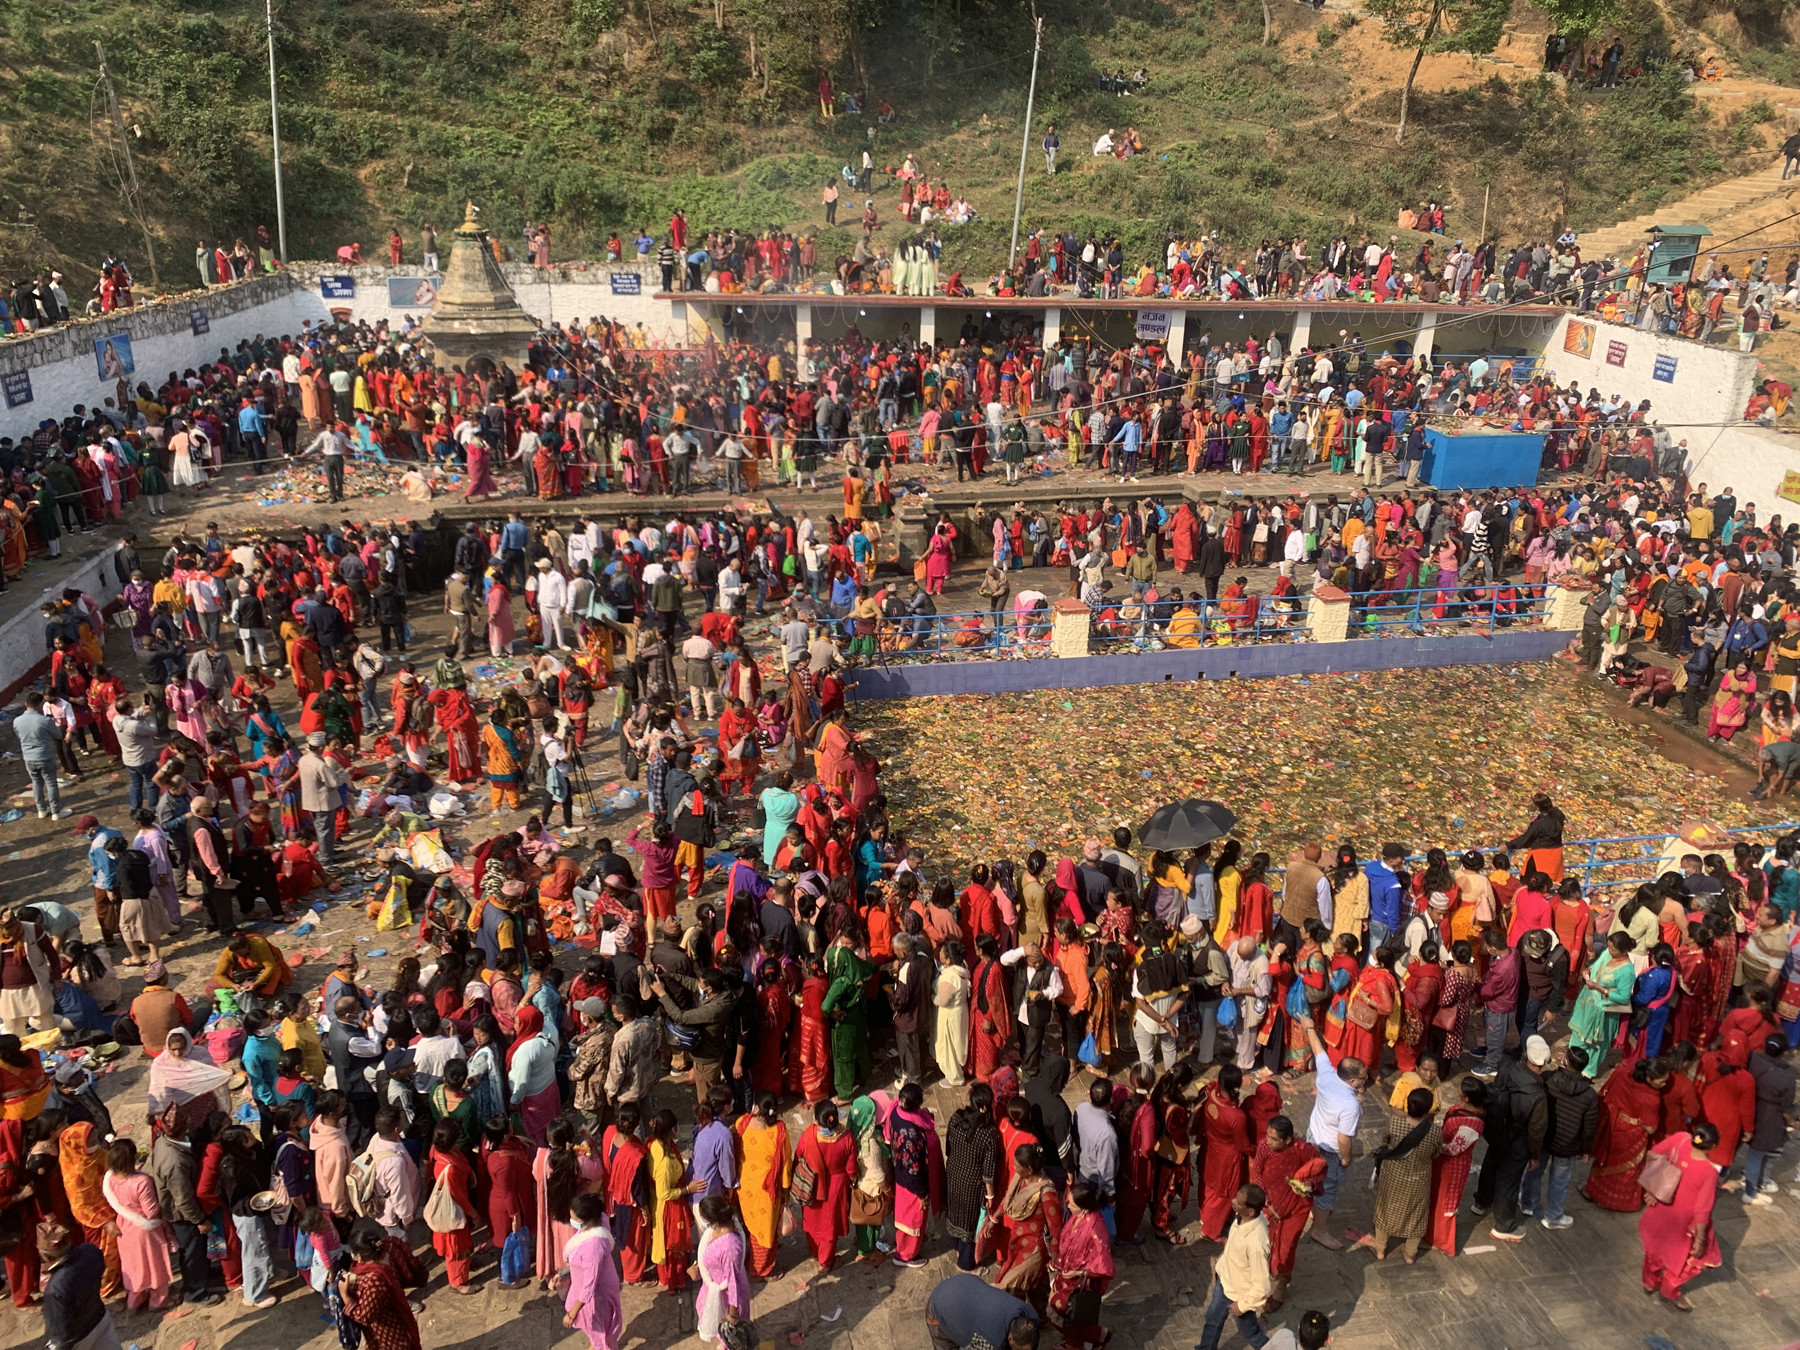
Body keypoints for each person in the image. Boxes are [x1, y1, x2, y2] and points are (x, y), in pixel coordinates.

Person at [1637, 1122, 1723, 1310]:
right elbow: (1703, 1209)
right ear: (1713, 1146)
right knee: (1688, 1263)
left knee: (1654, 1251)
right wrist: (1700, 1240)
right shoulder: (1709, 1172)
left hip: (1660, 1211)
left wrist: (1654, 1188)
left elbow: (1655, 1154)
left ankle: (1650, 1282)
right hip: (1684, 1224)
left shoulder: (1680, 1139)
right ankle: (1669, 1290)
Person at [1297, 1013, 1362, 1250]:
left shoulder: (1326, 1076)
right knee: (1328, 1190)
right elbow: (1344, 1138)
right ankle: (1320, 1230)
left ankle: (1315, 1209)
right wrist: (1346, 1158)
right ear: (1353, 1080)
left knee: (1312, 1179)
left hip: (1313, 1136)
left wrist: (1309, 1028)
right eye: (1362, 1078)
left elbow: (1319, 1051)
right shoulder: (1350, 1105)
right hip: (1331, 1151)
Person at [1360, 1086, 1442, 1262]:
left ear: (1407, 1105)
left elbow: (1385, 1141)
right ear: (1428, 1110)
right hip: (1419, 1179)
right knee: (1417, 1214)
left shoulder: (1394, 1122)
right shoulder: (1434, 1132)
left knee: (1385, 1208)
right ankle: (1410, 1254)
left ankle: (1380, 1249)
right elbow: (1435, 1154)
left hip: (1393, 1176)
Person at [1196, 1184, 1273, 1350]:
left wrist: (1242, 1305)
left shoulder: (1256, 1243)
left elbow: (1262, 1286)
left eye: (1238, 1202)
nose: (1233, 1202)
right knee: (1212, 1321)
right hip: (1225, 1283)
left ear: (1251, 1211)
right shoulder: (1242, 1218)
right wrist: (1221, 1268)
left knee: (1252, 1334)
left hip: (1240, 1295)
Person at [39, 1219, 120, 1350]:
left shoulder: (55, 1289)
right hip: (99, 1317)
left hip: (79, 1338)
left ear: (45, 1256)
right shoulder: (90, 1250)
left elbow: (61, 1335)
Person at [561, 1192, 622, 1350]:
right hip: (591, 1288)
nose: (572, 1222)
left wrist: (572, 1313)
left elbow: (590, 1284)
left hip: (596, 1296)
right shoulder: (597, 1224)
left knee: (601, 1332)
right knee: (598, 1330)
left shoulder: (593, 1247)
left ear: (586, 1222)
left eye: (574, 1219)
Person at [926, 1271, 1040, 1350]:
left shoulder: (1028, 1314)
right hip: (941, 1304)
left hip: (964, 1283)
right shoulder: (990, 1342)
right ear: (1010, 1338)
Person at [694, 1192, 750, 1348]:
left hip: (727, 1295)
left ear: (713, 1220)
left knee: (730, 1330)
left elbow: (733, 1282)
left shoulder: (730, 1247)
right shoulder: (716, 1230)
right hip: (714, 1285)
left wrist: (732, 1313)